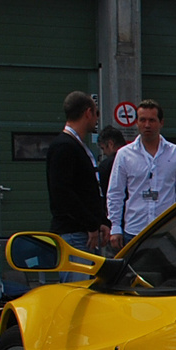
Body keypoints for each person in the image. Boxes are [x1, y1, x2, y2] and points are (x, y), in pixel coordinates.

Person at [106, 99, 176, 250]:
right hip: (134, 230)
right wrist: (115, 227)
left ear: (161, 122)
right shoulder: (124, 155)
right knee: (133, 273)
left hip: (167, 230)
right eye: (142, 120)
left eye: (152, 120)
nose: (147, 125)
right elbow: (115, 193)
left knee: (166, 273)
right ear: (136, 122)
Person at [46, 91, 110, 280]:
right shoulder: (64, 147)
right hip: (74, 234)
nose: (97, 119)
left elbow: (87, 191)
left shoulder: (77, 146)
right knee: (76, 291)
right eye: (96, 113)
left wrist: (101, 221)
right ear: (88, 112)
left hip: (85, 232)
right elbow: (62, 193)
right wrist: (90, 224)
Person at [96, 125, 124, 198]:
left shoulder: (106, 166)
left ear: (110, 144)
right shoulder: (135, 159)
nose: (104, 153)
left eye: (103, 148)